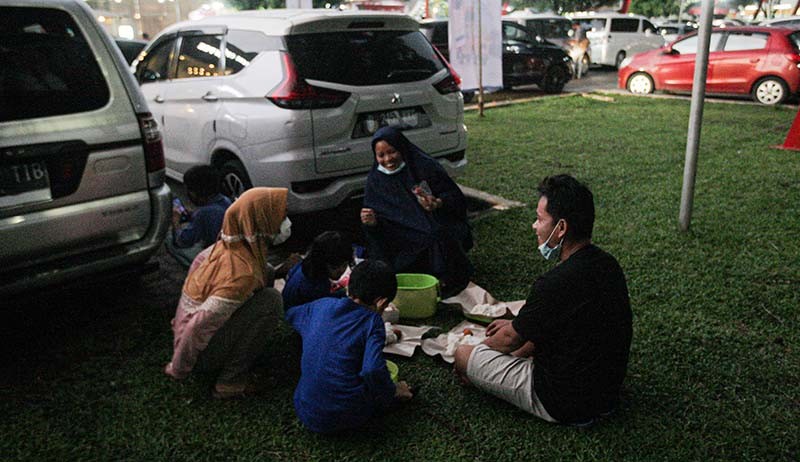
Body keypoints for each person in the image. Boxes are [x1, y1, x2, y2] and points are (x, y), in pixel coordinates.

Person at [454, 174, 632, 425]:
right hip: (606, 395)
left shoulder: (554, 283)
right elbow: (563, 323)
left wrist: (475, 356)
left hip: (563, 402)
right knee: (522, 341)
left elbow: (508, 342)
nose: (534, 226)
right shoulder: (608, 264)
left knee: (463, 354)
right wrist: (518, 328)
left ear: (560, 228)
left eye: (539, 219)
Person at [164, 187, 292, 399]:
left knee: (267, 271)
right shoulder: (241, 273)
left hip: (186, 333)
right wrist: (178, 368)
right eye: (282, 215)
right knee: (271, 301)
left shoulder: (229, 245)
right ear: (262, 219)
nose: (286, 222)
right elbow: (198, 326)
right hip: (199, 352)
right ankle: (229, 382)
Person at [285, 259, 413, 433]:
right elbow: (372, 370)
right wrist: (393, 392)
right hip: (348, 414)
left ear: (348, 288)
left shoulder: (321, 305)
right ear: (381, 303)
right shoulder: (372, 321)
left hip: (306, 409)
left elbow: (291, 315)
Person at [360, 126, 473, 298]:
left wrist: (437, 203)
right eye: (381, 155)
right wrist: (370, 222)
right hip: (398, 231)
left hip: (432, 224)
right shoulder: (375, 180)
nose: (388, 159)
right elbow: (375, 219)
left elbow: (455, 197)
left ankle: (443, 279)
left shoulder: (424, 166)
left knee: (433, 233)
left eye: (392, 152)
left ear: (402, 149)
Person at [166, 165, 232, 267]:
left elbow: (182, 242)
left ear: (196, 192)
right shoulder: (225, 200)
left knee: (171, 241)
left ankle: (201, 272)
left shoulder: (204, 213)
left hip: (220, 259)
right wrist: (193, 215)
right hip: (232, 252)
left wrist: (176, 222)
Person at [282, 231, 352, 310]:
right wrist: (343, 294)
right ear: (322, 263)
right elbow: (322, 305)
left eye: (344, 265)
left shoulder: (306, 265)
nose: (342, 271)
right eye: (334, 268)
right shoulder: (313, 286)